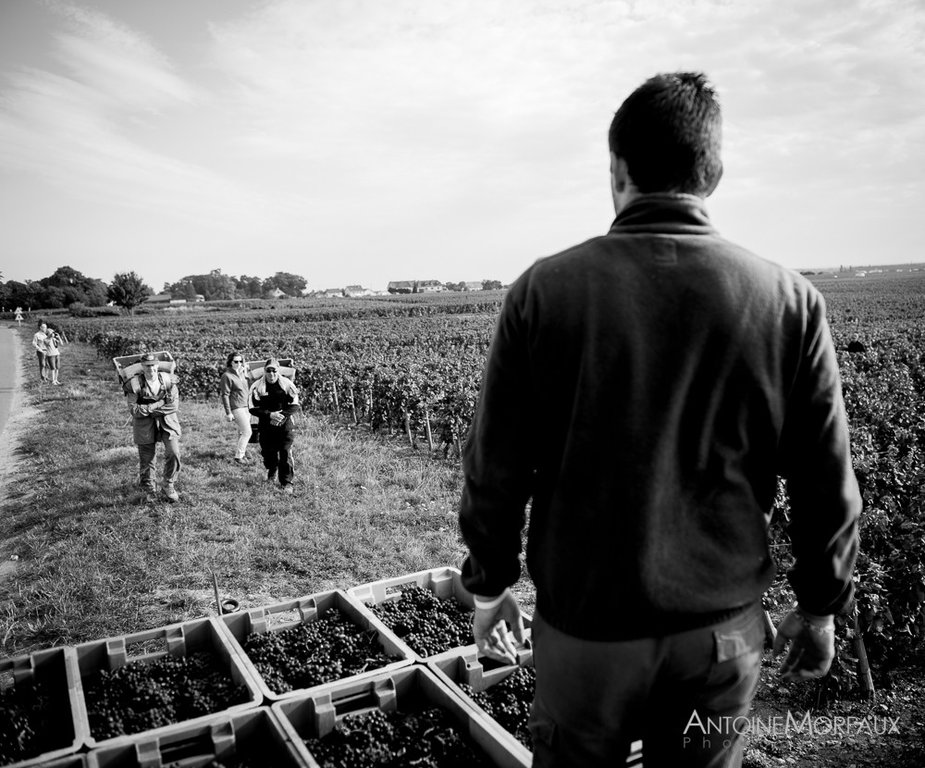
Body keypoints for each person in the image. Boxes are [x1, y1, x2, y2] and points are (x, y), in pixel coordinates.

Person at [457, 72, 860, 768]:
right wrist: (821, 603)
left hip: (584, 634)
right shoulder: (788, 302)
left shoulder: (543, 292)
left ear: (616, 171)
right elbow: (826, 478)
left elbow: (495, 463)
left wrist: (489, 585)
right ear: (714, 171)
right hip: (720, 638)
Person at [123, 352, 182, 503]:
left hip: (167, 422)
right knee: (147, 458)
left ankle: (168, 483)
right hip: (144, 425)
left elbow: (173, 406)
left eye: (153, 365)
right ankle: (150, 489)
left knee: (174, 452)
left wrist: (148, 409)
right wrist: (159, 404)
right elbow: (134, 410)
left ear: (158, 365)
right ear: (142, 367)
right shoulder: (134, 384)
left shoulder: (168, 380)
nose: (151, 369)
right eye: (147, 366)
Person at [248, 358, 301, 493]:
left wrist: (281, 415)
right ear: (264, 371)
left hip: (285, 424)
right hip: (266, 425)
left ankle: (287, 482)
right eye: (268, 371)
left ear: (278, 371)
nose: (271, 374)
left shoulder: (287, 384)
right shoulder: (257, 386)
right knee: (268, 452)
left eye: (274, 371)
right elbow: (252, 407)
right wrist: (270, 415)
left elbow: (295, 405)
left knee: (285, 451)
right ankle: (272, 469)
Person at [219, 352, 252, 464]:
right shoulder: (227, 376)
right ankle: (239, 457)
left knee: (242, 432)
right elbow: (225, 395)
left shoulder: (242, 374)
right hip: (236, 407)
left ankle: (243, 452)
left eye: (240, 361)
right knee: (247, 432)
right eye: (236, 361)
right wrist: (228, 413)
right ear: (230, 363)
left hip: (246, 406)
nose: (239, 364)